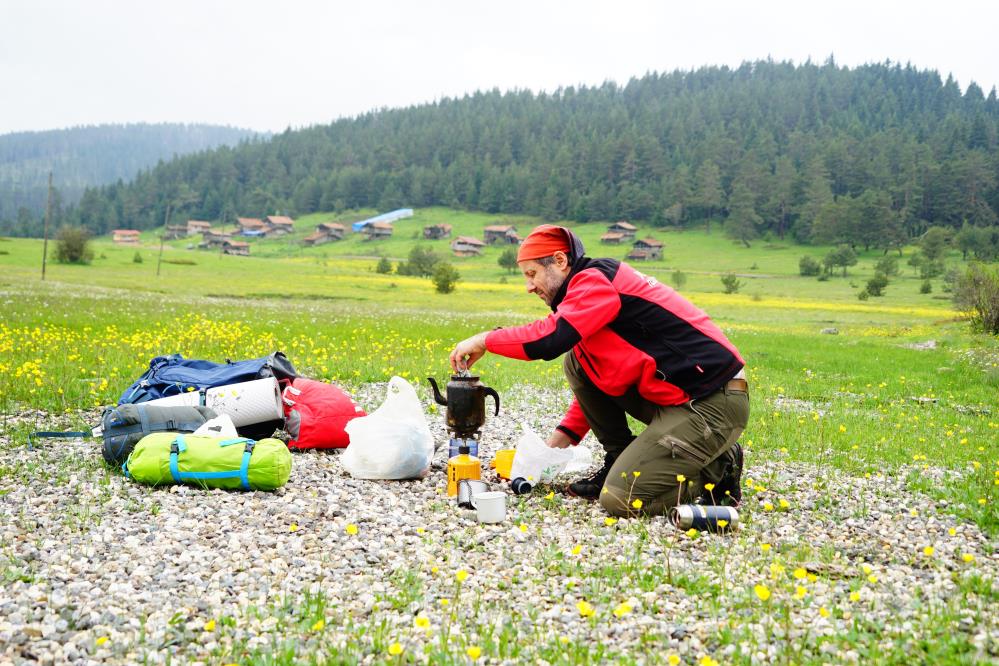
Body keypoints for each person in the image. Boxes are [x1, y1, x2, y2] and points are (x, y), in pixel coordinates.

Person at [449, 224, 748, 517]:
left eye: (532, 274)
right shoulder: (586, 298)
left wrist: (485, 339)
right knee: (577, 361)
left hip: (712, 402)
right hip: (678, 400)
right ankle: (620, 456)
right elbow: (597, 378)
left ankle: (718, 467)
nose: (529, 286)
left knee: (620, 499)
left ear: (560, 261)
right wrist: (558, 442)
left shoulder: (596, 280)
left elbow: (549, 340)